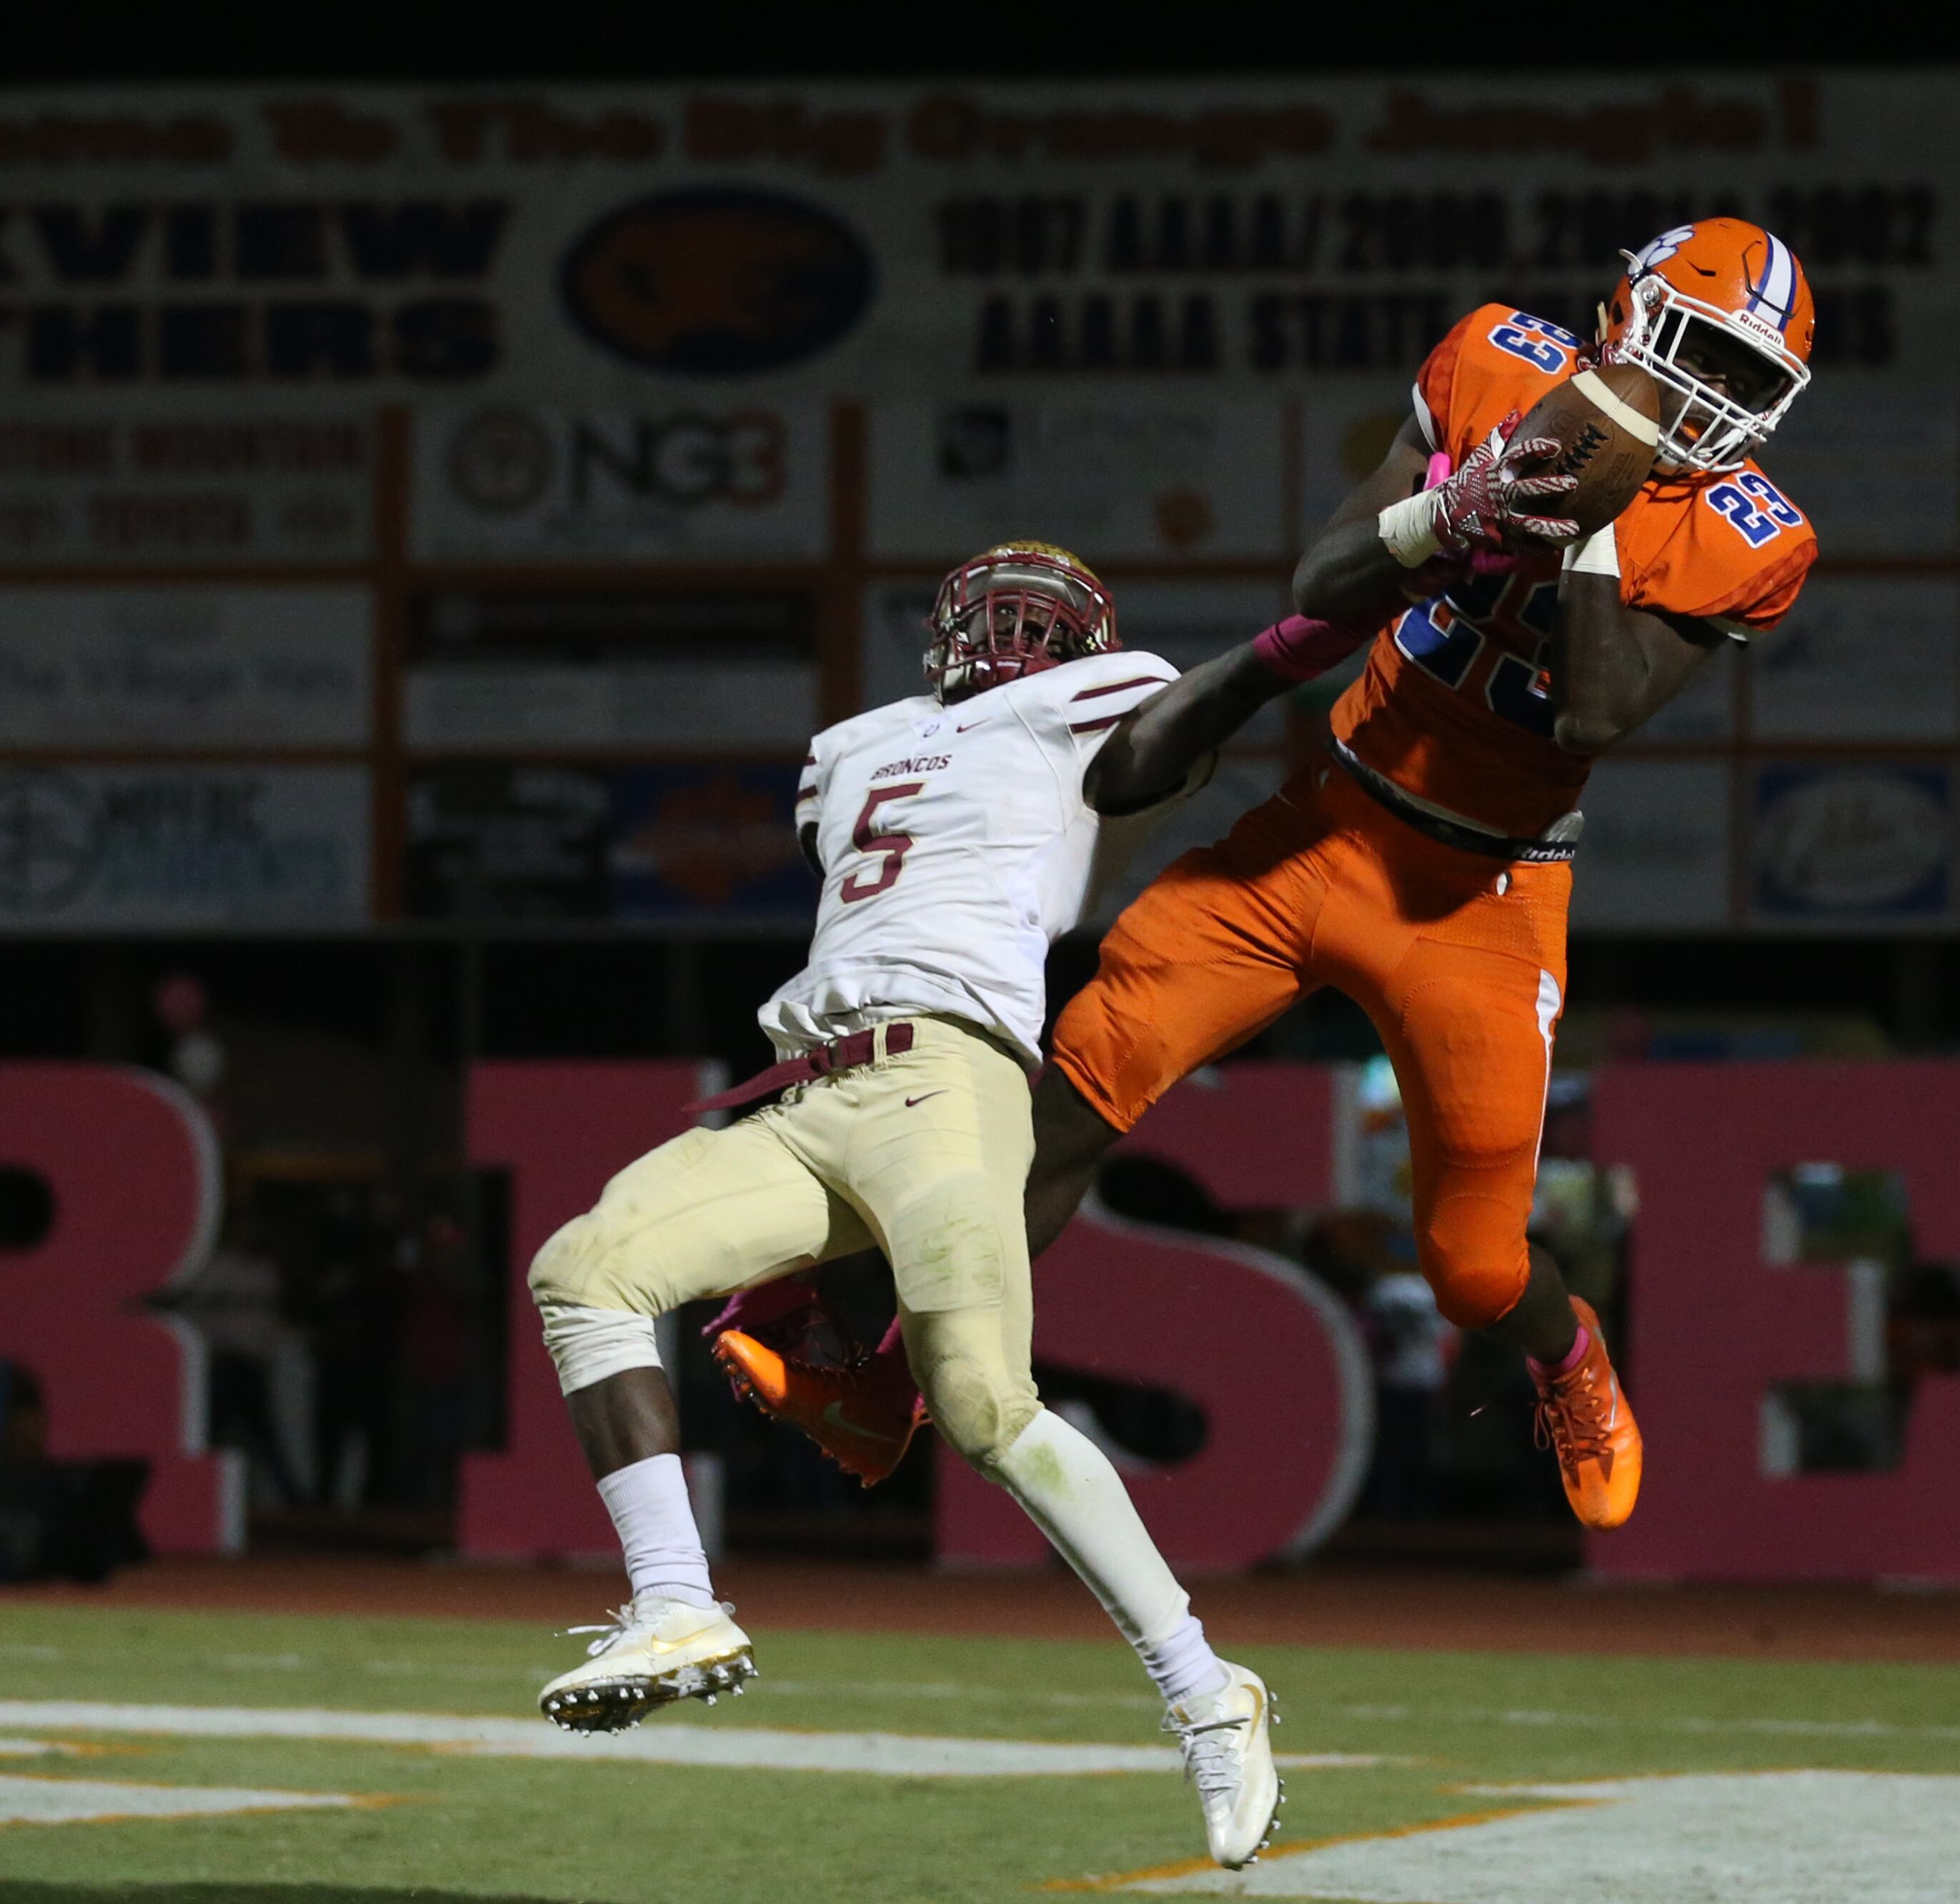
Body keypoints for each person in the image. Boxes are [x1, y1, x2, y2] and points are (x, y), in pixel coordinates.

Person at [737, 219, 1823, 1537]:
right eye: (1696, 347)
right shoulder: (1492, 361)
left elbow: (1595, 714)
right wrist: (1447, 512)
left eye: (1745, 374)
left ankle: (1570, 1358)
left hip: (1482, 901)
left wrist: (1582, 519)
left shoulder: (1745, 531)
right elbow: (1323, 577)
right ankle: (895, 1383)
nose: (1710, 391)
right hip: (1318, 836)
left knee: (1475, 1269)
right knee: (1070, 1091)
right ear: (1628, 316)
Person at [526, 542, 1372, 1869]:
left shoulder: (1087, 713)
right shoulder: (856, 742)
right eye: (994, 608)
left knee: (982, 1403)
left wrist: (1309, 632)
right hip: (810, 1090)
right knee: (585, 1270)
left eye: (1046, 618)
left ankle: (1210, 1693)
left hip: (947, 1078)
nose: (1015, 632)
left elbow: (1181, 725)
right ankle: (674, 1603)